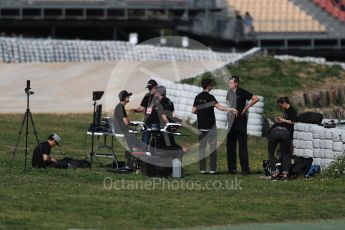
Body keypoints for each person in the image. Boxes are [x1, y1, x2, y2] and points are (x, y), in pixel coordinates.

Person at [193, 78, 237, 175]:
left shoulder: (197, 97)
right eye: (211, 85)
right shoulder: (210, 97)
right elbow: (220, 107)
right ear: (208, 86)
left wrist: (201, 113)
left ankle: (202, 170)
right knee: (212, 149)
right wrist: (231, 109)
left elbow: (193, 110)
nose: (212, 86)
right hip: (211, 127)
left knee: (202, 149)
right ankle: (212, 170)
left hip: (201, 127)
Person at [226, 76, 259, 175]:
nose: (229, 84)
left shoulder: (242, 92)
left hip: (241, 122)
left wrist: (246, 107)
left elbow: (256, 98)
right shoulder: (229, 93)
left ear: (236, 84)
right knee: (230, 145)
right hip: (231, 122)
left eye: (231, 83)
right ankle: (232, 169)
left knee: (242, 146)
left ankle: (245, 170)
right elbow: (227, 102)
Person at [268, 97, 298, 181]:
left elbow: (294, 121)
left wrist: (283, 120)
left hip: (281, 133)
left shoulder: (292, 110)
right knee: (285, 154)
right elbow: (288, 121)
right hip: (285, 133)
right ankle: (285, 174)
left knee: (271, 153)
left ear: (285, 103)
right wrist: (282, 121)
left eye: (281, 106)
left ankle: (274, 173)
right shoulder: (286, 110)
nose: (280, 108)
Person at [133, 79, 160, 147]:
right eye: (148, 88)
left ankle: (154, 155)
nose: (149, 90)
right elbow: (141, 108)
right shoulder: (147, 96)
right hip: (147, 122)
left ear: (156, 87)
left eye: (151, 88)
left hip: (157, 123)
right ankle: (142, 155)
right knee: (144, 142)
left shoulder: (161, 97)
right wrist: (133, 110)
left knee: (156, 143)